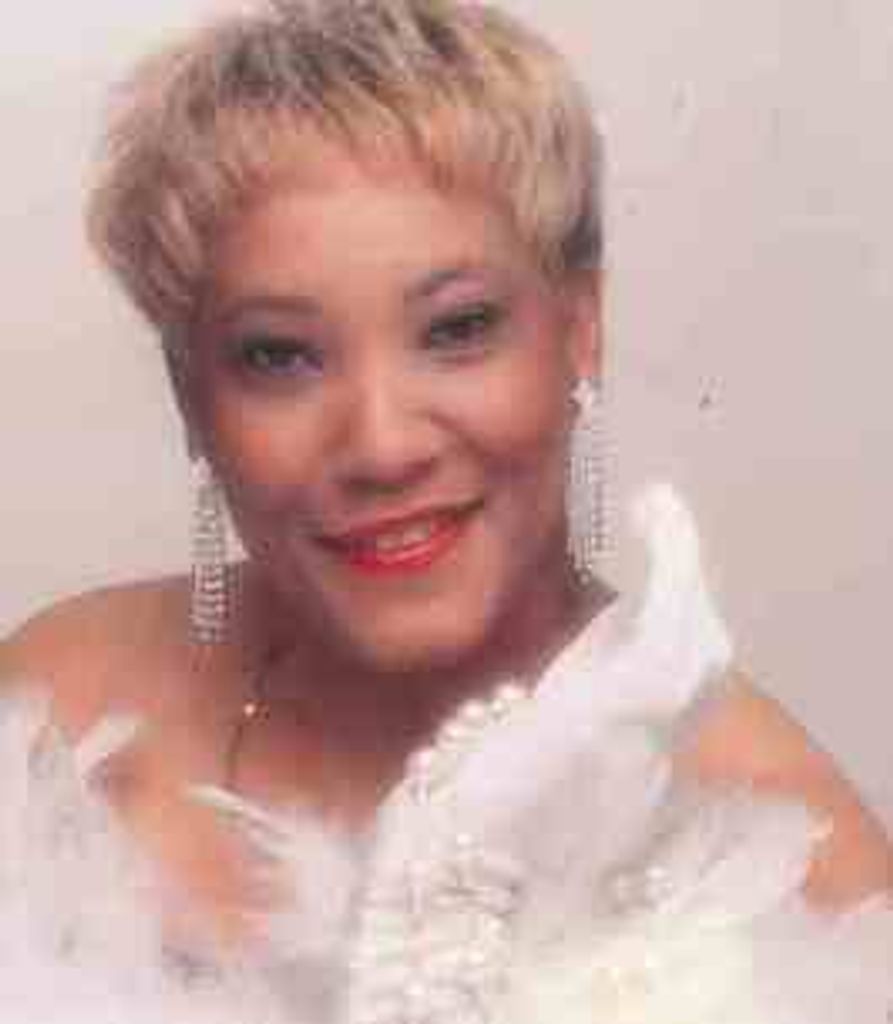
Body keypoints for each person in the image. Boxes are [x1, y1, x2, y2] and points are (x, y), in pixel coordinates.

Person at [0, 1, 890, 1021]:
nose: (382, 445)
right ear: (190, 396)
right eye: (278, 355)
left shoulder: (795, 869)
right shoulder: (54, 713)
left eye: (456, 329)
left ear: (578, 331)